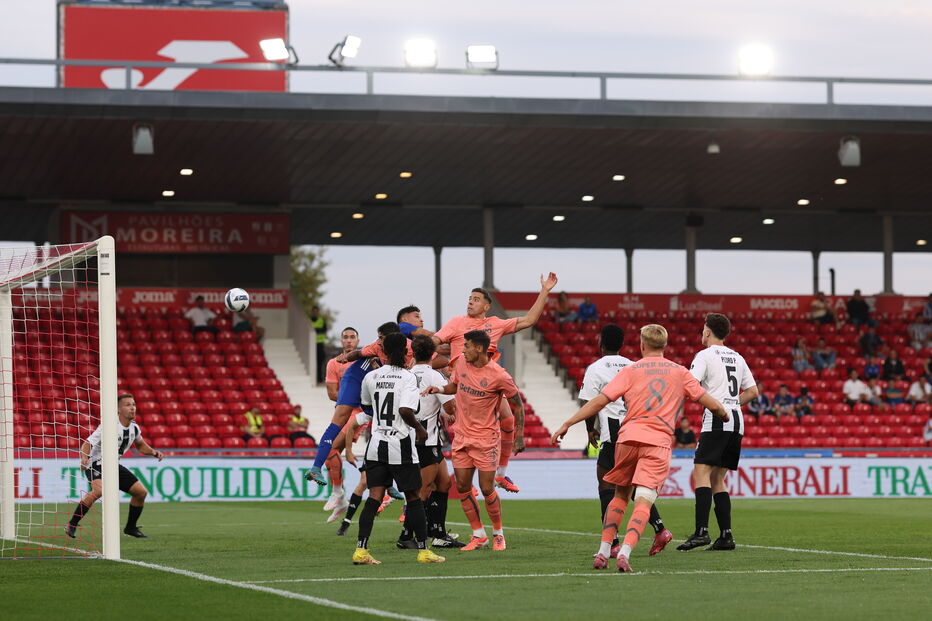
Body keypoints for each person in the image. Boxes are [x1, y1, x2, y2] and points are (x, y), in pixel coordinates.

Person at [550, 324, 728, 572]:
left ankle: (603, 552)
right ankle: (625, 552)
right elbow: (711, 403)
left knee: (620, 495)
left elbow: (599, 401)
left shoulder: (631, 370)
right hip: (657, 443)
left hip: (627, 439)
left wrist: (567, 423)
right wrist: (723, 414)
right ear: (664, 346)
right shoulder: (679, 372)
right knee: (643, 500)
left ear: (642, 345)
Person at [431, 273, 558, 493]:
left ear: (487, 306)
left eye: (476, 299)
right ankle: (457, 485)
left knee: (508, 421)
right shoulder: (456, 323)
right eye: (470, 298)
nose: (471, 301)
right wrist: (422, 351)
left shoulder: (495, 324)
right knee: (456, 431)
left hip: (487, 385)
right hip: (461, 385)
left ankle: (500, 475)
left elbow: (528, 320)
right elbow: (436, 340)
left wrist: (544, 291)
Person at [422, 330, 525, 552]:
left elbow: (518, 404)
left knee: (487, 488)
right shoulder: (460, 363)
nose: (463, 349)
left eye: (466, 345)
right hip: (461, 437)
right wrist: (438, 389)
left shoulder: (499, 375)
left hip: (486, 439)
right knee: (462, 486)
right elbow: (454, 387)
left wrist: (519, 434)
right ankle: (479, 535)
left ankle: (498, 534)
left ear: (479, 348)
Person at [347, 332, 445, 565]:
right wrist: (420, 430)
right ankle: (423, 550)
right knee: (413, 496)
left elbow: (367, 406)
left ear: (385, 351)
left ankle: (361, 550)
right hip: (400, 442)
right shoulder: (407, 377)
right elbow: (404, 410)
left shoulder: (371, 376)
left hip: (376, 443)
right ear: (405, 350)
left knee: (374, 497)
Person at [578, 324, 673, 558]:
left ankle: (613, 543)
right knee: (632, 487)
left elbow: (590, 404)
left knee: (607, 485)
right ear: (623, 344)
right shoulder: (634, 365)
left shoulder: (596, 368)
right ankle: (660, 529)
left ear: (601, 343)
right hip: (638, 429)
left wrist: (590, 431)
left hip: (614, 435)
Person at [678, 313, 758, 552]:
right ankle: (726, 535)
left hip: (717, 418)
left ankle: (701, 531)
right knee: (718, 479)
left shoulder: (704, 355)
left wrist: (715, 404)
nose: (702, 332)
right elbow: (753, 391)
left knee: (701, 473)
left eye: (703, 328)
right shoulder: (737, 356)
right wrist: (733, 404)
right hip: (737, 421)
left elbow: (690, 384)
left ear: (708, 331)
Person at [390, 335, 463, 549]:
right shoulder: (435, 376)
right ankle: (406, 536)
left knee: (444, 483)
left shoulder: (406, 375)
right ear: (433, 354)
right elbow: (450, 409)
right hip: (426, 441)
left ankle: (437, 533)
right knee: (423, 490)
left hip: (410, 439)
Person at [65, 394, 164, 539]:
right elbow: (88, 443)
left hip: (113, 465)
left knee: (140, 493)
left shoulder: (134, 428)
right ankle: (72, 524)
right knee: (98, 491)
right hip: (97, 464)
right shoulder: (109, 425)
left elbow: (141, 446)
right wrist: (84, 458)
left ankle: (130, 528)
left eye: (134, 404)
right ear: (118, 410)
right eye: (128, 405)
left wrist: (154, 452)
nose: (132, 408)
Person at [320, 327, 361, 518]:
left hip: (359, 414)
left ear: (358, 340)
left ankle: (338, 493)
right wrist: (350, 397)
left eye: (352, 337)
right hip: (342, 413)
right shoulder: (333, 363)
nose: (349, 340)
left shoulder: (364, 361)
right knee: (331, 452)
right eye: (345, 337)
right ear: (341, 341)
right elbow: (331, 393)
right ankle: (340, 497)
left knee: (331, 449)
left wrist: (351, 399)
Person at [309, 306, 328, 383]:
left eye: (316, 311)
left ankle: (320, 378)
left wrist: (316, 330)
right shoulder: (308, 320)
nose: (315, 313)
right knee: (313, 361)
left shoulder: (321, 320)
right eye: (314, 311)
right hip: (311, 344)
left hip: (320, 343)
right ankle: (313, 377)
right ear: (312, 312)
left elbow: (324, 330)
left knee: (320, 361)